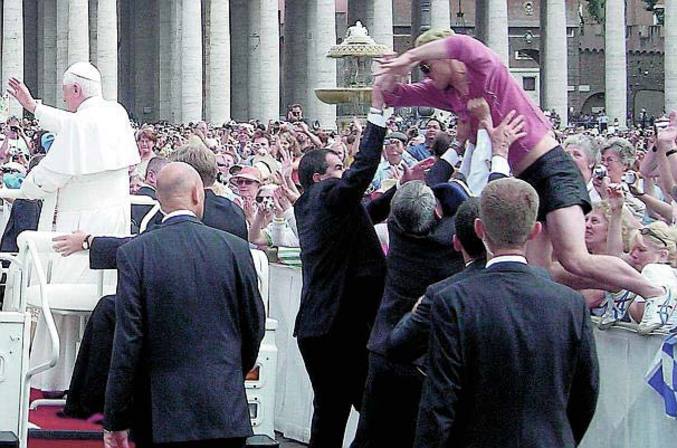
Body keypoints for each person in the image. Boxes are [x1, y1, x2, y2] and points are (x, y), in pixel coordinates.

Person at [375, 28, 669, 311]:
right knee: (538, 273)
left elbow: (463, 45)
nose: (424, 75)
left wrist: (409, 57)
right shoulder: (447, 93)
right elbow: (392, 96)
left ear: (446, 59)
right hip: (526, 179)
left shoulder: (486, 70)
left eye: (427, 67)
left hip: (551, 167)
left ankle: (656, 294)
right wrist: (393, 72)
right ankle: (617, 283)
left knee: (574, 258)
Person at [415, 178, 599, 447]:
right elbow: (586, 393)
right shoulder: (570, 304)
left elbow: (440, 401)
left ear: (480, 229)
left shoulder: (454, 301)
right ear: (535, 231)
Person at [103, 162, 265, 448]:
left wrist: (116, 417)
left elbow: (128, 341)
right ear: (196, 193)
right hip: (224, 406)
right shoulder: (236, 249)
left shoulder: (135, 253)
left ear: (158, 199)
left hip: (159, 412)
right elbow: (254, 325)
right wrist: (230, 373)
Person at [7, 62, 140, 393]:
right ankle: (95, 381)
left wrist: (25, 188)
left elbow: (50, 175)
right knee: (102, 303)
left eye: (66, 92)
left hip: (79, 231)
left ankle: (61, 380)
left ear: (76, 91)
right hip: (110, 231)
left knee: (64, 309)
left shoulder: (85, 124)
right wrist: (34, 107)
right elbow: (72, 125)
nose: (65, 98)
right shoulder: (114, 114)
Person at [293, 79, 404, 447]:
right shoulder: (327, 195)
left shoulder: (319, 206)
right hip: (339, 327)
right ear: (319, 178)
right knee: (370, 411)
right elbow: (361, 174)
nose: (343, 172)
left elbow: (367, 211)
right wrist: (378, 114)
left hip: (323, 327)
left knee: (334, 410)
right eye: (337, 167)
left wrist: (400, 189)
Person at [351, 180, 466, 448]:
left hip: (383, 353)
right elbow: (471, 207)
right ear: (437, 213)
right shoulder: (448, 242)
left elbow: (410, 200)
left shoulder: (397, 228)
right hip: (422, 362)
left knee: (370, 437)